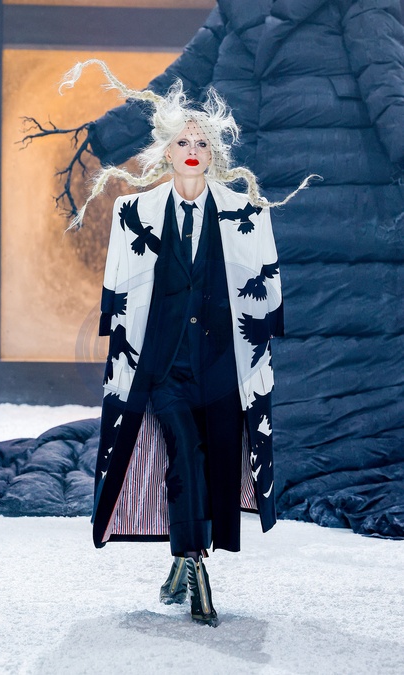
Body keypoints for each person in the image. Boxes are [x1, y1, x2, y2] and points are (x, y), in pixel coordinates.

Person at [60, 60, 312, 627]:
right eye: (182, 141)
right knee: (184, 453)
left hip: (223, 365)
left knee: (217, 460)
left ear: (214, 152)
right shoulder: (133, 211)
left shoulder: (247, 212)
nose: (192, 149)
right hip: (162, 364)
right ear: (166, 151)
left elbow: (267, 289)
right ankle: (196, 566)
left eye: (201, 141)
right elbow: (118, 293)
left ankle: (182, 559)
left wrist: (260, 353)